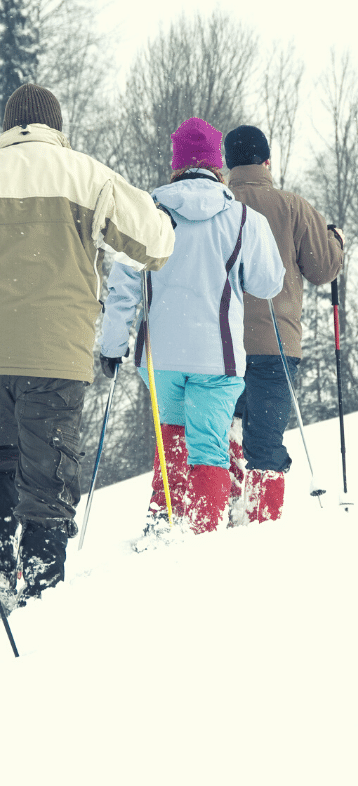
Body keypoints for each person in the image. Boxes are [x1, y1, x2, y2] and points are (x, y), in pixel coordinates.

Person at [0, 84, 175, 608]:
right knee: (49, 467)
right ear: (57, 126)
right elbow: (155, 245)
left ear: (7, 128)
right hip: (57, 353)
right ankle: (42, 584)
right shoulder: (88, 176)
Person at [98, 117, 285, 536]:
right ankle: (202, 535)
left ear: (176, 164)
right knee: (209, 449)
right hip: (217, 358)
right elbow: (268, 283)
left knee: (172, 443)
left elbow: (123, 286)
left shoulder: (148, 213)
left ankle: (165, 529)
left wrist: (112, 346)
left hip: (160, 357)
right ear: (218, 165)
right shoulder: (243, 219)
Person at [223, 125, 344, 524]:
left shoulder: (220, 203)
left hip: (222, 347)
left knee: (226, 432)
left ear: (228, 163)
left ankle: (226, 510)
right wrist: (336, 242)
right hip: (276, 346)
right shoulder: (291, 206)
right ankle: (260, 525)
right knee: (266, 441)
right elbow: (323, 269)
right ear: (267, 161)